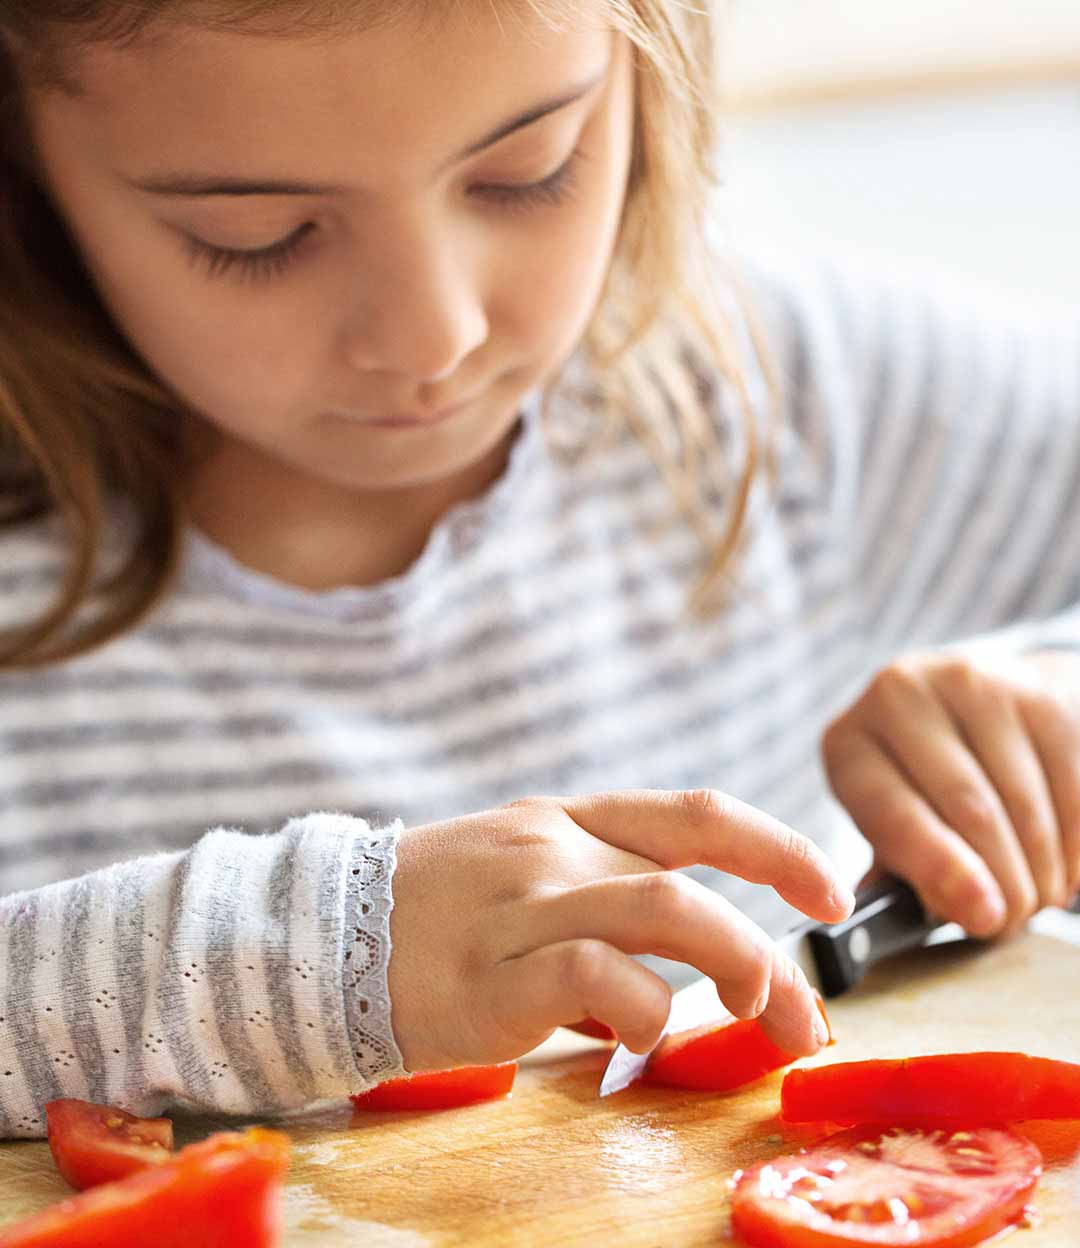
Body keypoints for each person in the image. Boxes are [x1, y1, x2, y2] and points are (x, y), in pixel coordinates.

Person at [1, 0, 1078, 1141]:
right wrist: (321, 959)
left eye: (529, 171)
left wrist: (1057, 704)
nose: (434, 337)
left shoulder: (788, 389)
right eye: (256, 234)